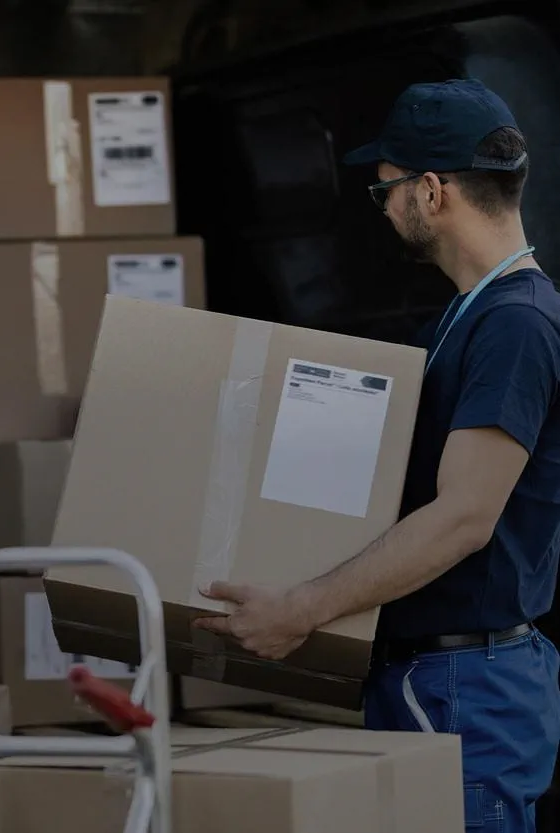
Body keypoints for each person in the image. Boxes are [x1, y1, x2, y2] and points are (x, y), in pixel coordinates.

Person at [193, 78, 560, 832]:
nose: (383, 207)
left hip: (464, 687)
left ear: (431, 191)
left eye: (386, 189)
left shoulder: (515, 325)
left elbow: (464, 516)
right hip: (435, 675)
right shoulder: (464, 316)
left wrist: (301, 609)